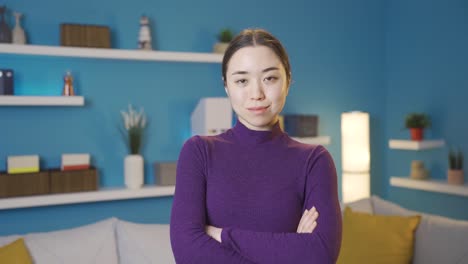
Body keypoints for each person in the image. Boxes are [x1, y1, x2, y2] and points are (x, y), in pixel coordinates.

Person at [170, 28, 342, 264]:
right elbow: (187, 253)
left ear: (288, 80)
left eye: (269, 78)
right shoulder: (198, 152)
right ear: (226, 86)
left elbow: (320, 254)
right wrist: (289, 250)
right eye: (242, 80)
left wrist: (222, 235)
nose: (256, 94)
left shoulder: (315, 161)